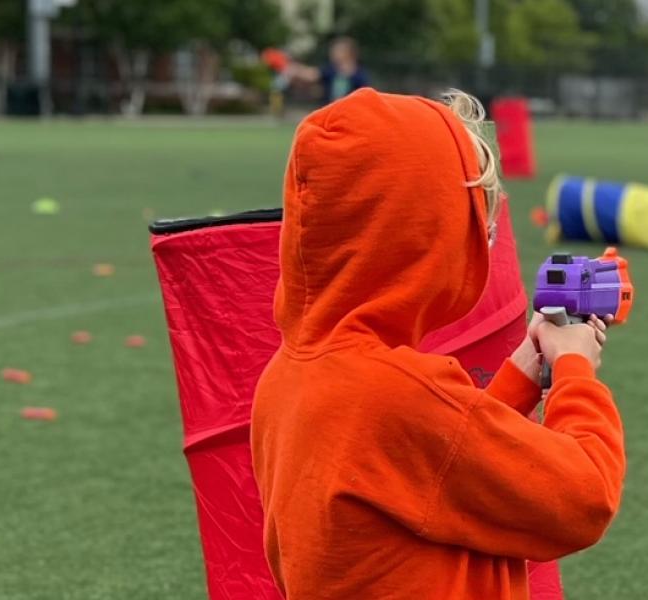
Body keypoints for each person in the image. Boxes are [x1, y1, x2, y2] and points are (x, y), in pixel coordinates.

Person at [251, 88, 626, 599]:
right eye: (477, 225)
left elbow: (429, 472)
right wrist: (576, 367)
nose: (485, 240)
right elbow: (585, 499)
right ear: (422, 237)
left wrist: (522, 373)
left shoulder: (290, 377)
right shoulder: (397, 396)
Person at [291, 36, 371, 104]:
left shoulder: (359, 75)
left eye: (337, 51)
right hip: (330, 110)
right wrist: (297, 69)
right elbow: (312, 74)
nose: (332, 53)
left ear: (348, 53)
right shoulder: (331, 70)